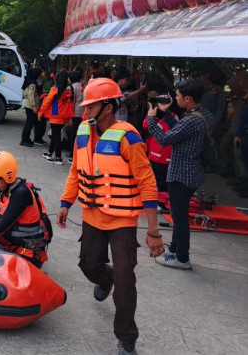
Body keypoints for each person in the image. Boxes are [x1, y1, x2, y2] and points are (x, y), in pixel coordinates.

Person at [57, 77, 164, 355]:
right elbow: (75, 171)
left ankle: (127, 338)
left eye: (92, 105)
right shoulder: (82, 131)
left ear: (108, 106)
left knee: (126, 280)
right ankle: (106, 278)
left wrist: (153, 231)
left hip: (123, 220)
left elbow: (147, 183)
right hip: (92, 215)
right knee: (88, 266)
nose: (86, 110)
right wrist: (66, 202)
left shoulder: (128, 136)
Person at [146, 79, 213, 270]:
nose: (176, 99)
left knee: (180, 217)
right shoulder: (203, 114)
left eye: (178, 96)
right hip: (193, 172)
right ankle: (174, 249)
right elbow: (178, 130)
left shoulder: (192, 119)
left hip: (181, 174)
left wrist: (152, 117)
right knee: (178, 214)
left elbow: (165, 139)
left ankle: (182, 258)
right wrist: (166, 113)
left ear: (189, 99)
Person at [39, 70, 73, 165]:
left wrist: (40, 113)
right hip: (64, 116)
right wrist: (70, 117)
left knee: (56, 136)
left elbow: (47, 101)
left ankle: (58, 158)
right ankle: (50, 153)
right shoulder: (69, 88)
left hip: (55, 115)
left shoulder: (55, 87)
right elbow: (70, 104)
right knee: (56, 135)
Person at [20, 67, 40, 147]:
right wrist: (34, 106)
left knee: (30, 123)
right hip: (30, 106)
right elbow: (31, 95)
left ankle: (26, 139)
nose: (39, 76)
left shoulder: (30, 81)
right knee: (29, 123)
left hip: (29, 105)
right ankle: (24, 140)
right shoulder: (32, 84)